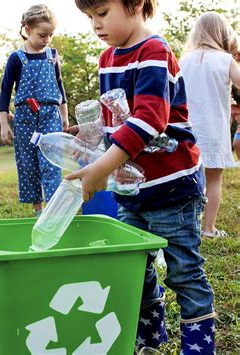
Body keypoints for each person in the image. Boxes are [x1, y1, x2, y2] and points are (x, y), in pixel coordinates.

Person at [69, 1, 215, 353]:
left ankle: (198, 347)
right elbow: (120, 126)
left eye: (102, 13)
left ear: (135, 4)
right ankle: (148, 339)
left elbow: (149, 121)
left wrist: (103, 167)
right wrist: (93, 141)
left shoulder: (154, 51)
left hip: (172, 189)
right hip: (130, 190)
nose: (95, 25)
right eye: (89, 17)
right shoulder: (108, 59)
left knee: (183, 271)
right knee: (135, 268)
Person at [0, 4, 69, 216]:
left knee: (51, 162)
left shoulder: (52, 55)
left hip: (50, 115)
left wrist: (64, 116)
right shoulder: (16, 59)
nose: (47, 39)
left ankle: (54, 210)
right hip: (25, 118)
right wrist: (4, 124)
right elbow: (4, 92)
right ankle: (38, 210)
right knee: (28, 164)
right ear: (27, 30)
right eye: (42, 35)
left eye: (50, 35)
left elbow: (60, 86)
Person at [180, 12, 240, 238]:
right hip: (214, 129)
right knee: (214, 179)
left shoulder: (183, 60)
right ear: (223, 34)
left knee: (188, 178)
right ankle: (208, 228)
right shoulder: (225, 60)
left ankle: (188, 225)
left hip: (186, 131)